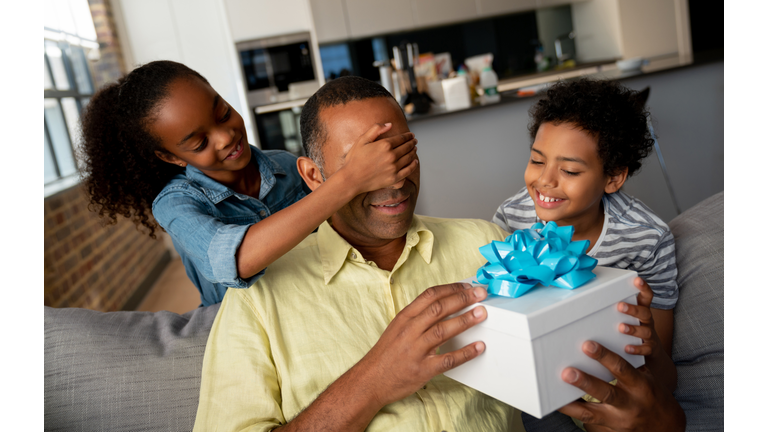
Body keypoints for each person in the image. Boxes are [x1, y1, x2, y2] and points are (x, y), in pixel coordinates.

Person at [193, 76, 685, 431]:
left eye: (403, 152)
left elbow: (587, 389)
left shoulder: (492, 246)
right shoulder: (256, 299)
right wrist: (373, 382)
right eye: (363, 165)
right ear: (314, 176)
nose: (394, 177)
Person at [79, 61, 418, 306]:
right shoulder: (175, 205)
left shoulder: (287, 167)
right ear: (172, 157)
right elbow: (235, 260)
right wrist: (350, 178)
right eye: (199, 143)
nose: (226, 137)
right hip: (243, 328)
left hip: (312, 305)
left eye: (223, 113)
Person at [492, 79, 678, 392]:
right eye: (537, 160)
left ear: (613, 177)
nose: (544, 180)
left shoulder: (647, 239)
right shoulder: (512, 219)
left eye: (570, 171)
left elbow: (659, 359)